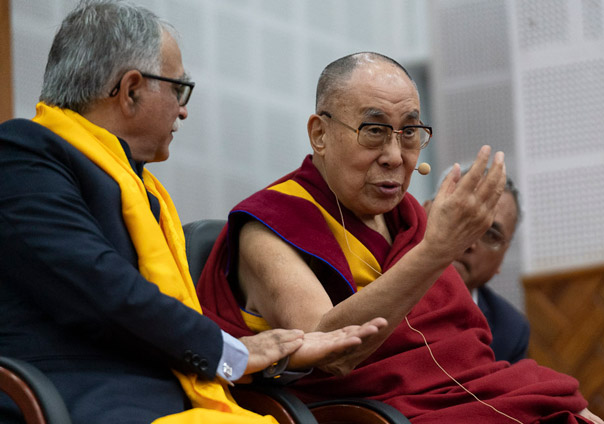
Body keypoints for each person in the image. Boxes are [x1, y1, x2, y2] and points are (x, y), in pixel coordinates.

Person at [0, 2, 385, 423]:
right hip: (85, 401)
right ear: (131, 90)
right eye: (178, 89)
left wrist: (272, 353)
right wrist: (231, 351)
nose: (183, 110)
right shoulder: (22, 156)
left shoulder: (140, 190)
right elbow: (99, 285)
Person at [198, 52, 604, 424]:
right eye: (374, 130)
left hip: (456, 401)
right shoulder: (270, 224)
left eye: (410, 133)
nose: (396, 155)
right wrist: (436, 251)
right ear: (320, 134)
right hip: (365, 415)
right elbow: (329, 351)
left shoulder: (407, 218)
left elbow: (466, 355)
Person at [424, 171, 529, 363]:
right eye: (460, 217)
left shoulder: (510, 331)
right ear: (425, 211)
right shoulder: (375, 275)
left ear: (503, 257)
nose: (468, 241)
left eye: (490, 235)